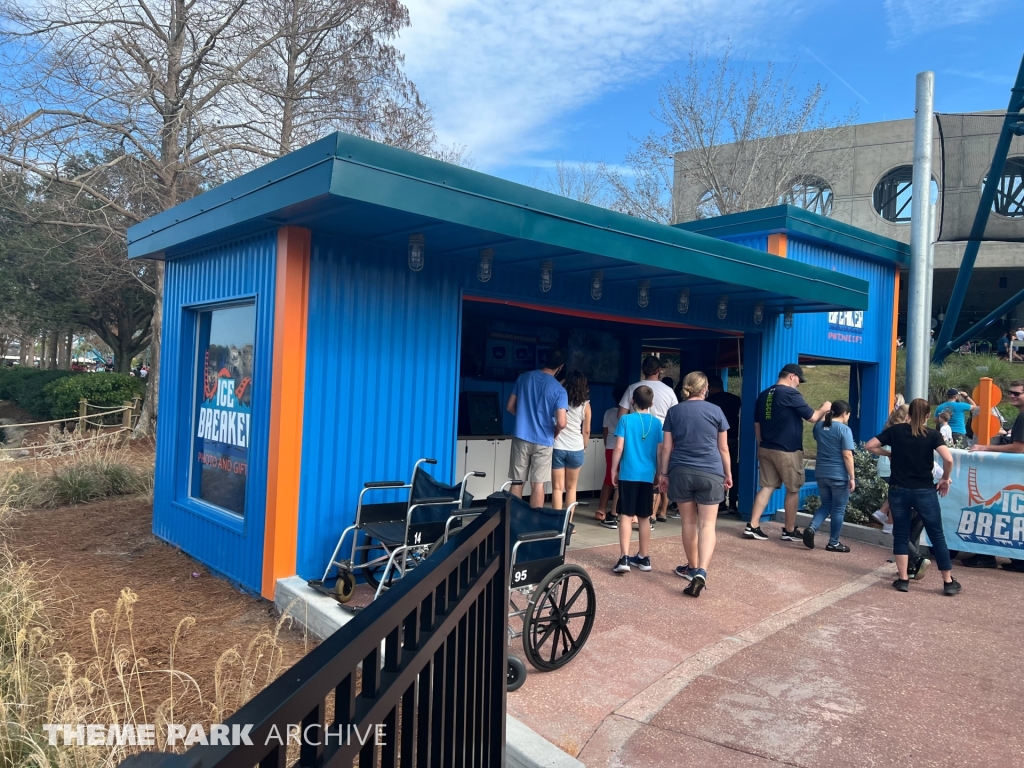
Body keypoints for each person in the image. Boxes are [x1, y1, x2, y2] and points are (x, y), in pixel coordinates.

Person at [866, 399, 960, 596]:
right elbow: (948, 458)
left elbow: (870, 445)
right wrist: (944, 478)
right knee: (937, 535)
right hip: (924, 491)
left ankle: (902, 579)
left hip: (899, 490)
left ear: (910, 414)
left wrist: (888, 453)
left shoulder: (896, 431)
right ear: (927, 416)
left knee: (900, 534)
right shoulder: (932, 435)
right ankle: (948, 581)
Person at [657, 372, 731, 597]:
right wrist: (727, 474)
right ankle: (702, 571)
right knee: (707, 525)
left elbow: (667, 448)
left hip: (681, 471)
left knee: (688, 523)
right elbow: (724, 448)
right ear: (705, 388)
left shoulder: (674, 411)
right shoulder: (716, 411)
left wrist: (663, 474)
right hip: (711, 472)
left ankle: (691, 567)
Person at [744, 364, 831, 542]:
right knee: (793, 489)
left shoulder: (764, 394)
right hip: (787, 450)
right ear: (792, 376)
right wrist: (825, 407)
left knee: (767, 487)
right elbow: (812, 417)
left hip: (766, 447)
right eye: (799, 379)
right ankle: (789, 530)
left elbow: (757, 424)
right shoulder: (790, 393)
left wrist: (760, 446)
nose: (799, 384)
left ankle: (752, 526)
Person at [966, 379, 1024, 572]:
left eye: (1017, 393)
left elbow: (1018, 448)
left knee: (997, 513)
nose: (1012, 396)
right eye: (1011, 392)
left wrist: (985, 447)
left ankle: (988, 555)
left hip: (1012, 478)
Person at [619, 356, 678, 524]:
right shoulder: (668, 391)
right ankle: (650, 515)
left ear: (643, 370)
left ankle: (632, 514)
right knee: (659, 474)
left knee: (632, 475)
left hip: (634, 437)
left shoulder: (633, 388)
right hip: (661, 437)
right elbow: (675, 418)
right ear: (659, 371)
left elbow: (620, 414)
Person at [506, 350, 568, 508]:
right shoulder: (559, 390)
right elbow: (561, 422)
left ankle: (513, 521)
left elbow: (510, 406)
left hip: (521, 436)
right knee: (538, 485)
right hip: (544, 441)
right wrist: (555, 431)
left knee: (517, 482)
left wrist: (523, 419)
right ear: (560, 367)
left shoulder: (524, 377)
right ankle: (533, 525)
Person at [611, 386, 663, 574]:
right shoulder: (657, 424)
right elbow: (659, 450)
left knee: (625, 515)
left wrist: (612, 469)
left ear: (632, 401)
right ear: (651, 403)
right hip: (647, 475)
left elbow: (618, 448)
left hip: (628, 473)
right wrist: (659, 473)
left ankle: (624, 557)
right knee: (644, 516)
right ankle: (644, 557)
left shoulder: (625, 420)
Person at [803, 401, 855, 552]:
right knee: (838, 509)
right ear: (845, 414)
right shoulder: (844, 430)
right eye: (848, 415)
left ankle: (812, 528)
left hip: (821, 473)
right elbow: (847, 455)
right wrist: (852, 477)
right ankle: (833, 542)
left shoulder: (819, 427)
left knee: (826, 505)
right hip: (838, 476)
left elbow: (820, 429)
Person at [551, 370, 591, 511]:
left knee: (557, 488)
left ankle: (556, 524)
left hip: (558, 447)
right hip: (576, 448)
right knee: (571, 488)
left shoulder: (559, 399)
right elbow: (586, 431)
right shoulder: (585, 405)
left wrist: (563, 384)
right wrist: (584, 447)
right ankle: (568, 525)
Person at [871, 406, 909, 537]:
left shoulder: (889, 427)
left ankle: (887, 520)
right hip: (894, 466)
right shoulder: (902, 430)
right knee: (898, 496)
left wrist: (886, 453)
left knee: (896, 494)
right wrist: (890, 454)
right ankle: (886, 519)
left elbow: (872, 445)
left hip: (883, 466)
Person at [706, 373, 741, 514]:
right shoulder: (735, 399)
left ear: (710, 387)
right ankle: (733, 501)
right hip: (733, 437)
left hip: (715, 439)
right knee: (733, 468)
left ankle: (720, 502)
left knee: (717, 470)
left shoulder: (709, 401)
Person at [597, 385, 627, 526]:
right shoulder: (629, 414)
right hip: (624, 448)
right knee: (622, 481)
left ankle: (601, 509)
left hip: (609, 447)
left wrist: (607, 445)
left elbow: (605, 432)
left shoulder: (608, 412)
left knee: (608, 479)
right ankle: (617, 511)